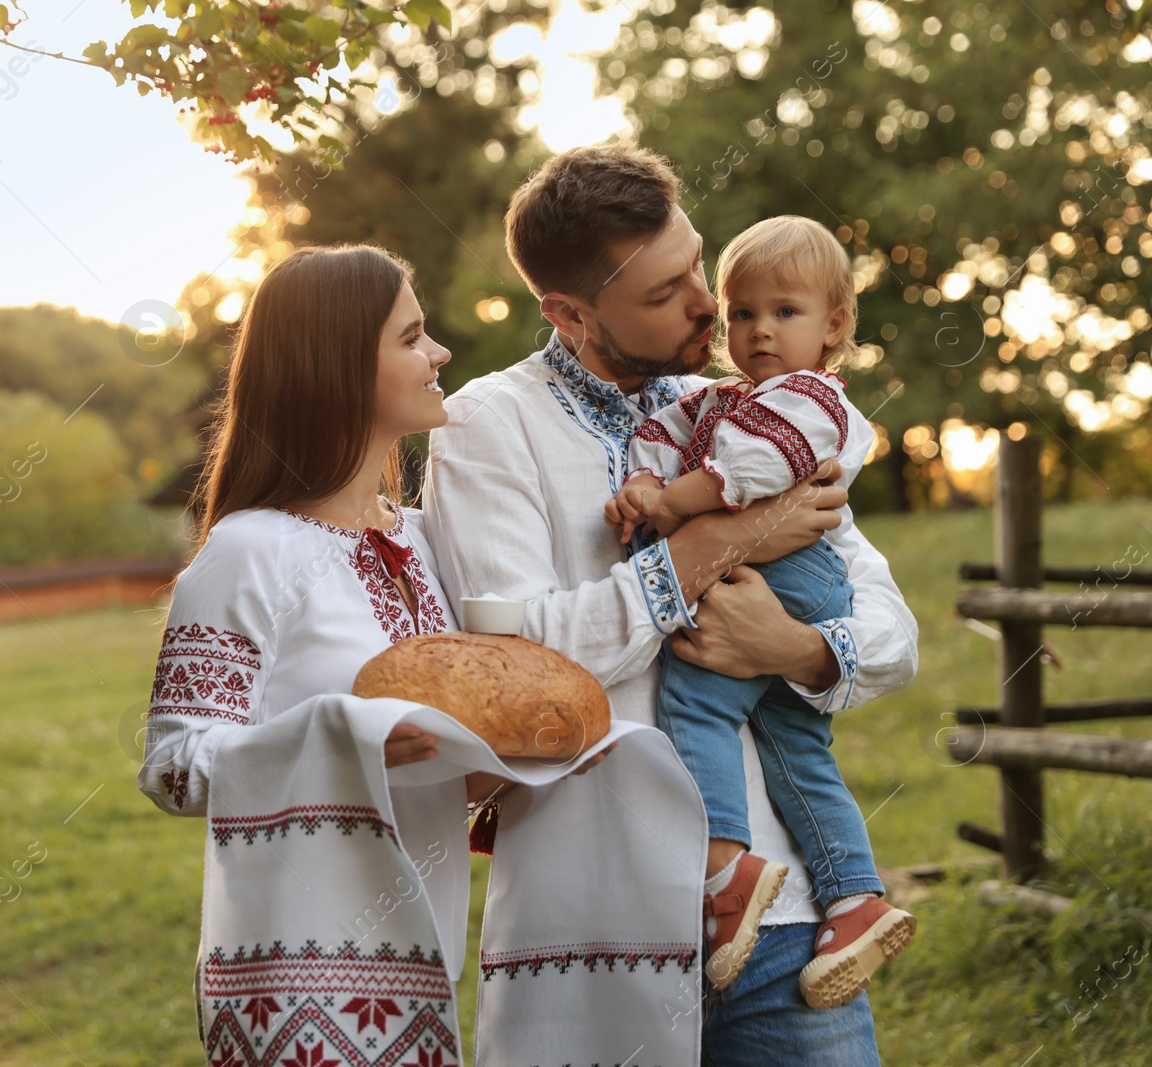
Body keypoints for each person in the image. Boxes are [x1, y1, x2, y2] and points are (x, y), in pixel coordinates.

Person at [423, 144, 919, 1066]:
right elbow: (525, 673)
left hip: (789, 919)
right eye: (664, 293)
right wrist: (709, 546)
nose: (707, 303)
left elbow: (891, 631)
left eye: (694, 262)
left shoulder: (744, 408)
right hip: (595, 920)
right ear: (568, 313)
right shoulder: (490, 426)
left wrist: (797, 649)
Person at [137, 244, 545, 1066]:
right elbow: (174, 764)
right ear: (337, 366)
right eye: (412, 336)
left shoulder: (426, 540)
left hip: (422, 965)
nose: (439, 354)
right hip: (295, 989)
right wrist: (337, 738)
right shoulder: (248, 551)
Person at [607, 215, 917, 1006]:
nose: (759, 331)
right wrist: (644, 479)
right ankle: (854, 898)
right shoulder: (721, 398)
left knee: (697, 697)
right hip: (779, 577)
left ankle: (724, 870)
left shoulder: (812, 399)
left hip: (800, 579)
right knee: (795, 744)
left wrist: (674, 504)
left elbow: (755, 467)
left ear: (835, 326)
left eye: (785, 313)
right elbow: (662, 429)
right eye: (743, 313)